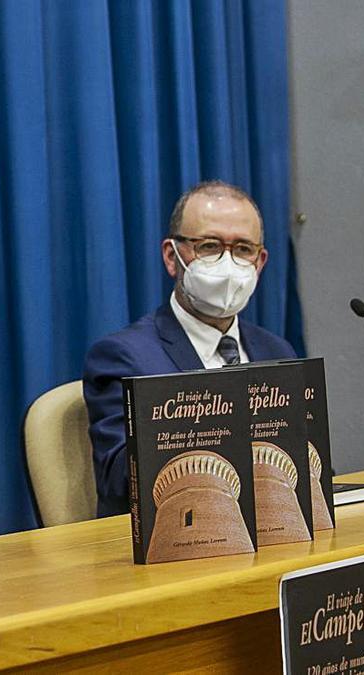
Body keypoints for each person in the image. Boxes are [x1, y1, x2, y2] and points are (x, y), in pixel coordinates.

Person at [83, 181, 296, 517]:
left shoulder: (276, 350)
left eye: (243, 249)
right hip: (176, 539)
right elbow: (117, 481)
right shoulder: (123, 356)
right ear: (172, 257)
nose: (228, 263)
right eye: (209, 246)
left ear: (260, 261)